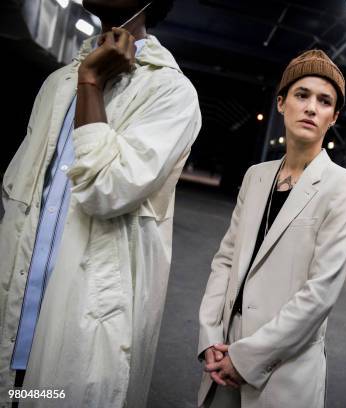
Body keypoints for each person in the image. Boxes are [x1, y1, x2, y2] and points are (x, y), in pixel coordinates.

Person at [0, 0, 201, 406]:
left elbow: (107, 188)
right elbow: (20, 196)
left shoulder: (172, 92)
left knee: (57, 392)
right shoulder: (59, 82)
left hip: (81, 315)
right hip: (18, 310)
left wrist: (91, 83)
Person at [197, 50, 346, 408]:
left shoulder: (344, 186)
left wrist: (246, 359)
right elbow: (226, 259)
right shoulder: (256, 176)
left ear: (333, 116)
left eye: (324, 101)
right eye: (302, 95)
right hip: (224, 346)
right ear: (281, 103)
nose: (311, 107)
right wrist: (209, 335)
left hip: (281, 364)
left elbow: (320, 293)